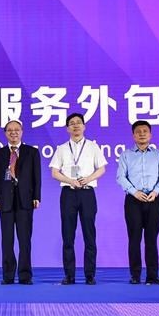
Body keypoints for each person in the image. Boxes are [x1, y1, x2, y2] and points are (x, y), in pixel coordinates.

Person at [49, 113, 107, 285]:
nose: (76, 125)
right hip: (68, 193)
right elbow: (54, 172)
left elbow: (102, 168)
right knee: (68, 235)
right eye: (72, 123)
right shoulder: (61, 149)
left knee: (89, 235)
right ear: (67, 128)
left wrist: (88, 179)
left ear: (84, 126)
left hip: (87, 193)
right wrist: (70, 181)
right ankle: (69, 275)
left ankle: (90, 275)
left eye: (78, 123)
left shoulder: (93, 147)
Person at [117, 121, 159, 285]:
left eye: (145, 131)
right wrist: (135, 192)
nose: (142, 134)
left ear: (150, 135)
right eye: (138, 131)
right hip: (133, 200)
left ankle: (152, 275)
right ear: (133, 135)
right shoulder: (126, 155)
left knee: (151, 239)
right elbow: (120, 177)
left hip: (154, 199)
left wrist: (156, 191)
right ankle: (135, 275)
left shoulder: (158, 155)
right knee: (134, 239)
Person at [0, 120, 41, 285]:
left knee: (25, 240)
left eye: (17, 130)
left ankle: (25, 275)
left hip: (25, 200)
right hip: (5, 201)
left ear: (22, 132)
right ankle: (8, 275)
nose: (13, 133)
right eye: (10, 130)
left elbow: (37, 177)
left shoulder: (32, 152)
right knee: (7, 240)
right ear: (5, 133)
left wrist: (37, 196)